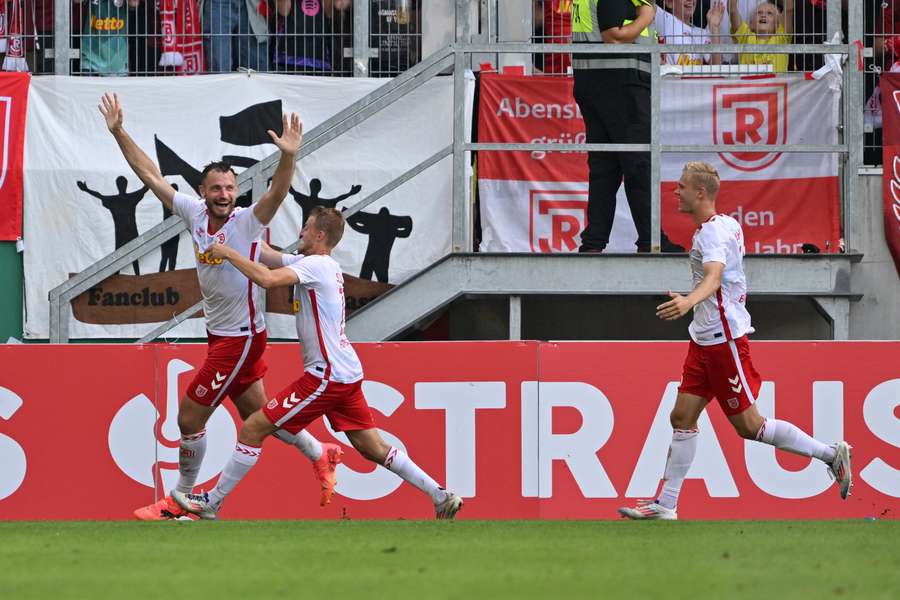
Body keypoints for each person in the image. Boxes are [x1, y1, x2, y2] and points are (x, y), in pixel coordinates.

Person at [97, 92, 342, 520]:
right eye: (217, 188)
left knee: (189, 419)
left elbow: (279, 193)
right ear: (203, 192)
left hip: (240, 340)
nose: (225, 194)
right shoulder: (193, 213)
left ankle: (181, 501)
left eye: (230, 187)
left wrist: (288, 157)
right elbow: (150, 174)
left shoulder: (246, 221)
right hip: (224, 335)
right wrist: (119, 132)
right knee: (258, 415)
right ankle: (320, 453)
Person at [172, 207, 463, 520]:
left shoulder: (316, 266)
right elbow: (267, 256)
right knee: (372, 447)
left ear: (320, 235)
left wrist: (228, 252)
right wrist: (242, 233)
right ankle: (440, 495)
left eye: (306, 229)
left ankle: (212, 503)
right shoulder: (316, 264)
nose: (301, 233)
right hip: (345, 372)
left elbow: (267, 279)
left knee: (253, 427)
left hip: (326, 376)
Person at [618, 162, 852, 520]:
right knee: (682, 416)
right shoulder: (725, 225)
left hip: (723, 340)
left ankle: (830, 453)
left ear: (700, 192)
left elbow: (714, 277)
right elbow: (719, 282)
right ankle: (667, 504)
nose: (675, 192)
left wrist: (688, 301)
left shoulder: (712, 234)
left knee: (750, 426)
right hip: (704, 339)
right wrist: (695, 301)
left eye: (681, 187)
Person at [570, 0, 683, 253]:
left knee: (605, 168)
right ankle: (652, 241)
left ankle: (593, 244)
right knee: (639, 165)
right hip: (620, 83)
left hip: (596, 81)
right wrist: (647, 16)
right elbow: (613, 37)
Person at [728, 0, 793, 72]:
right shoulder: (745, 36)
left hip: (775, 83)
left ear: (777, 24)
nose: (763, 15)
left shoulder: (782, 37)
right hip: (749, 83)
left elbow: (789, 9)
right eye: (759, 12)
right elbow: (732, 10)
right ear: (751, 23)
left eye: (769, 13)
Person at [656, 0, 725, 66]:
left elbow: (716, 67)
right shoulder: (664, 20)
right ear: (669, 2)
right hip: (670, 78)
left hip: (696, 78)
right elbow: (648, 5)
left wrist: (715, 27)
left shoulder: (701, 33)